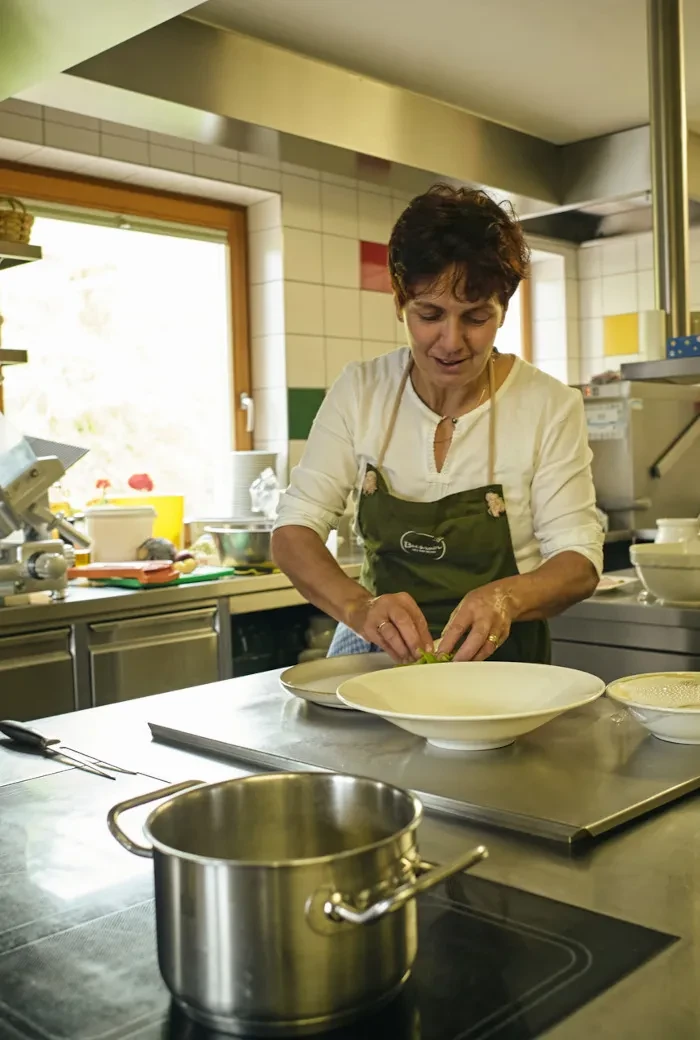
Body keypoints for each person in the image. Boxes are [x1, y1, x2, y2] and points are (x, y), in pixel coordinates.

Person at [272, 185, 603, 664]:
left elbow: (579, 561)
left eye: (475, 318)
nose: (451, 342)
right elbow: (294, 529)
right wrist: (360, 608)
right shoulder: (362, 391)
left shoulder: (548, 404)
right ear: (400, 302)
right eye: (429, 315)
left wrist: (504, 599)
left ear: (503, 311)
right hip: (381, 664)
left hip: (506, 670)